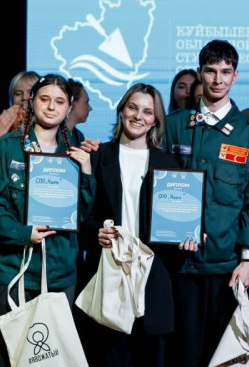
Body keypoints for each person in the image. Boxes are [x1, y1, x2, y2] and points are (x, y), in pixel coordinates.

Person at [163, 39, 249, 367]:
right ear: (200, 73)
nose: (218, 79)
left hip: (226, 267)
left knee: (223, 359)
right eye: (210, 71)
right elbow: (156, 188)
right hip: (179, 264)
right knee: (183, 356)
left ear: (235, 76)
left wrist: (248, 259)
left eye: (225, 72)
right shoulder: (174, 125)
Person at [0, 73, 95, 367]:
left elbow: (81, 216)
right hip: (11, 270)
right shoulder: (6, 147)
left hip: (58, 272)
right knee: (9, 358)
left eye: (60, 101)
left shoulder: (75, 154)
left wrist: (86, 172)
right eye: (44, 99)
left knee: (52, 360)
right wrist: (23, 233)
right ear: (32, 102)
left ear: (69, 107)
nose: (51, 107)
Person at [78, 83, 179, 367]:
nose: (138, 116)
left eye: (147, 112)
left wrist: (190, 235)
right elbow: (82, 216)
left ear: (155, 120)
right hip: (109, 274)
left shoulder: (169, 164)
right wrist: (95, 232)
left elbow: (178, 220)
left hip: (152, 277)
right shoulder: (97, 156)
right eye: (133, 108)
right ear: (121, 110)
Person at [66, 78, 92, 143]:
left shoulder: (79, 137)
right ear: (73, 104)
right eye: (86, 102)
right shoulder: (53, 135)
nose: (90, 108)